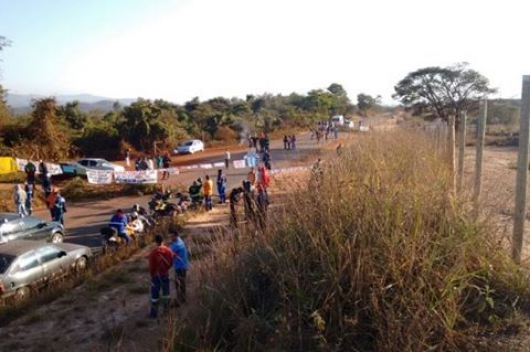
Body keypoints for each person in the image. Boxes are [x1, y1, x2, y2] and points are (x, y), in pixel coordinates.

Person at [148, 234, 174, 318]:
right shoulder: (168, 250)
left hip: (156, 276)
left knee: (155, 295)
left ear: (155, 242)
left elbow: (151, 266)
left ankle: (154, 313)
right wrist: (166, 269)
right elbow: (170, 263)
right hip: (165, 274)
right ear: (163, 241)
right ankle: (167, 311)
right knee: (166, 294)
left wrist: (152, 274)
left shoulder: (153, 253)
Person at [169, 229, 189, 306]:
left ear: (175, 236)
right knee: (181, 283)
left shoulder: (177, 245)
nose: (171, 238)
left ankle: (179, 300)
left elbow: (169, 252)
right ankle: (182, 298)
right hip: (182, 265)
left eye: (172, 236)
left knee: (178, 283)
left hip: (180, 267)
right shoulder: (180, 241)